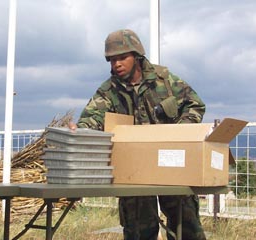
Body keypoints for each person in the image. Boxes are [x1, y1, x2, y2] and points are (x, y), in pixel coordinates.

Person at [69, 29, 206, 240]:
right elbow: (92, 118)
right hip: (134, 170)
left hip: (172, 164)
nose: (117, 64)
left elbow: (195, 105)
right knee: (138, 232)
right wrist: (81, 130)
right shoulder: (108, 91)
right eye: (112, 60)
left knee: (187, 228)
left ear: (137, 56)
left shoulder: (165, 81)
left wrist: (180, 134)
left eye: (122, 57)